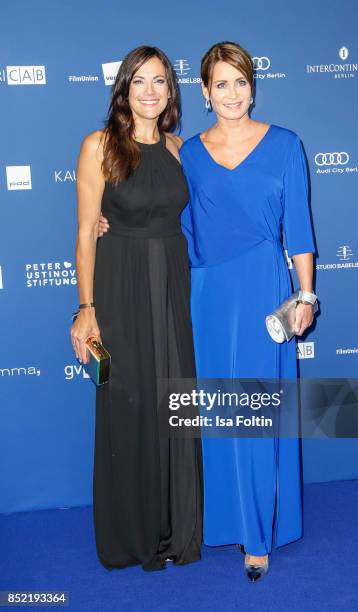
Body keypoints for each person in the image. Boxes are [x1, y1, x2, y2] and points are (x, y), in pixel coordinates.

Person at [98, 41, 317, 582]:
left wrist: (305, 295)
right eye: (221, 83)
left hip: (266, 288)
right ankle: (217, 519)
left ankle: (257, 538)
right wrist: (108, 225)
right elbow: (164, 215)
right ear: (202, 91)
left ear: (253, 86)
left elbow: (301, 231)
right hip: (204, 294)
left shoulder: (286, 145)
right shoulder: (186, 153)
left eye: (241, 82)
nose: (233, 93)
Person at [70, 46, 203, 572]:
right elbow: (85, 231)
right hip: (119, 285)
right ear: (124, 88)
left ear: (172, 93)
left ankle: (176, 530)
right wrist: (86, 308)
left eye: (161, 82)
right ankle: (132, 536)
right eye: (140, 81)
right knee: (125, 403)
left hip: (172, 285)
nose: (151, 91)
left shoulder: (178, 149)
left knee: (173, 401)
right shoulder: (98, 145)